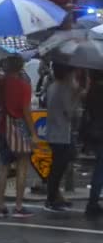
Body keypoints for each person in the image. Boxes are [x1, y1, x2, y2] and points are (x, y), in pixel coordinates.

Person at [0, 56, 40, 219]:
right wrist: (34, 134)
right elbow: (26, 111)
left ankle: (0, 205)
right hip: (19, 128)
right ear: (21, 67)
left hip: (1, 127)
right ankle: (18, 206)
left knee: (4, 167)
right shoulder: (24, 86)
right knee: (22, 167)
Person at [45, 63, 80, 212]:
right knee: (58, 168)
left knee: (57, 166)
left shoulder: (52, 86)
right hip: (61, 134)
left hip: (53, 132)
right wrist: (77, 96)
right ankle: (52, 199)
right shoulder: (63, 89)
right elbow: (70, 112)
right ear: (67, 74)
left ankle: (55, 196)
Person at [82, 70, 103, 217]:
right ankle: (92, 202)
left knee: (99, 168)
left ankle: (93, 201)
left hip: (94, 133)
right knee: (100, 169)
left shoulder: (92, 91)